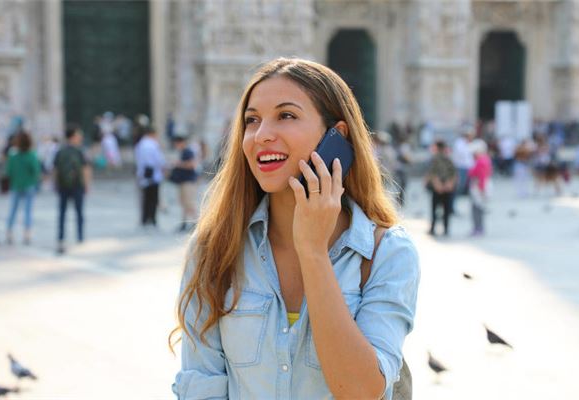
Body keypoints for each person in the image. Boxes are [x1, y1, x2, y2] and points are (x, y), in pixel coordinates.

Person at [169, 58, 420, 400]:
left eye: (286, 115)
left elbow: (361, 390)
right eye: (252, 120)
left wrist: (313, 252)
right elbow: (202, 387)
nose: (262, 135)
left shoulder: (387, 253)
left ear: (337, 135)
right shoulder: (214, 249)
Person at [53, 124, 92, 254]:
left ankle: (61, 238)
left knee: (62, 213)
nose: (80, 137)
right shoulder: (79, 151)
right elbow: (85, 169)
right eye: (78, 135)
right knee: (79, 212)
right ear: (73, 136)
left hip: (63, 186)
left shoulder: (60, 151)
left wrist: (55, 184)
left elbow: (55, 169)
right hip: (77, 185)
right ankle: (80, 237)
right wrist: (87, 184)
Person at [5, 131, 41, 245]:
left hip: (16, 185)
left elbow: (8, 172)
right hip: (29, 185)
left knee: (13, 210)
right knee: (28, 211)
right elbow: (36, 171)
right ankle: (27, 234)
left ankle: (9, 232)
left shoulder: (12, 155)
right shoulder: (31, 155)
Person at [134, 126, 166, 227]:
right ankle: (152, 219)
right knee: (153, 199)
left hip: (143, 174)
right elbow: (159, 160)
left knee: (145, 199)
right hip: (154, 175)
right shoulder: (152, 144)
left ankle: (144, 219)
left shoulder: (140, 144)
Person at [425, 140, 457, 236]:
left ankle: (433, 228)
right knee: (446, 209)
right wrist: (448, 184)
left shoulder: (434, 159)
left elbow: (432, 173)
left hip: (437, 188)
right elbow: (454, 173)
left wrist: (438, 185)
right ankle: (446, 228)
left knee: (434, 209)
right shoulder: (449, 159)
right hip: (447, 188)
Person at [170, 135, 199, 232]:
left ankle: (197, 223)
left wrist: (178, 164)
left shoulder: (188, 151)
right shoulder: (182, 152)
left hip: (188, 181)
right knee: (183, 203)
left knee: (189, 203)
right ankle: (184, 223)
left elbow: (192, 164)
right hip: (183, 181)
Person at [468, 139, 493, 236]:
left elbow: (482, 176)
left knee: (477, 209)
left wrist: (482, 189)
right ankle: (478, 227)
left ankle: (478, 228)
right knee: (478, 208)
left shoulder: (481, 161)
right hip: (480, 185)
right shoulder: (484, 159)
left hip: (479, 187)